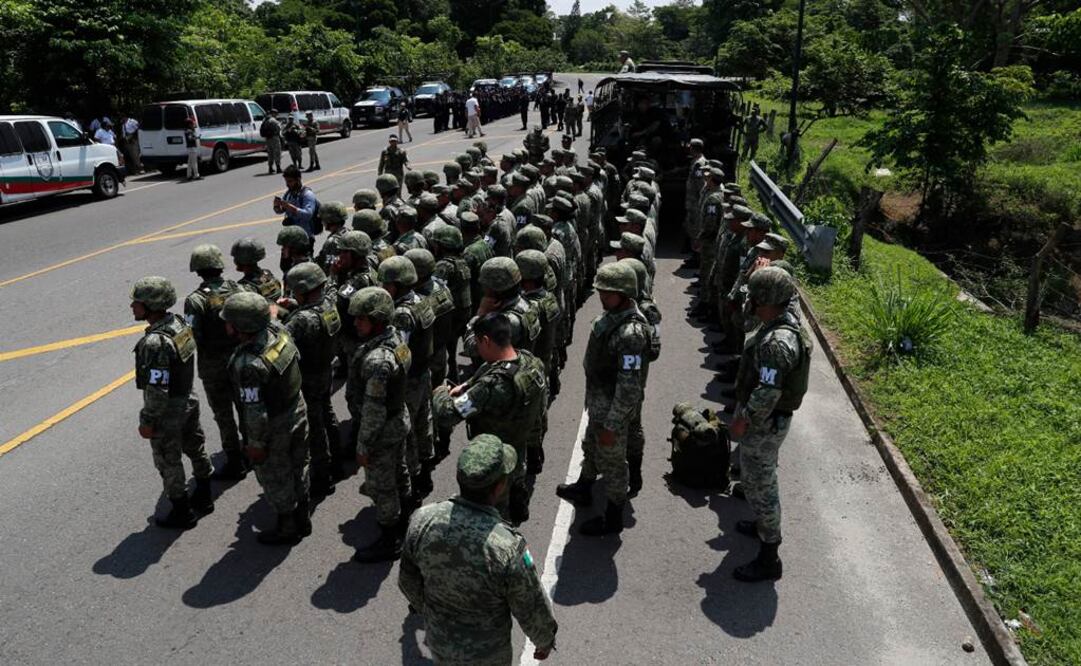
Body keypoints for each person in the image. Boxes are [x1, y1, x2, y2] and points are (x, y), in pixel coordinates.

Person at [399, 434, 558, 665]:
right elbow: (531, 604)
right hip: (488, 655)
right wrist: (544, 641)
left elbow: (407, 580)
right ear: (500, 486)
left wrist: (430, 611)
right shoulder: (506, 547)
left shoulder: (423, 520)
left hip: (440, 642)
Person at [728, 267, 812, 582]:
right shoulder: (783, 320)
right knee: (757, 480)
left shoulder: (778, 342)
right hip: (771, 421)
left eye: (756, 297)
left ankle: (769, 556)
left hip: (764, 424)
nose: (751, 303)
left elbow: (768, 391)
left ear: (766, 300)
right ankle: (761, 524)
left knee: (760, 485)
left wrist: (743, 421)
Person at [556, 262, 651, 535]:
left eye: (607, 293)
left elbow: (629, 387)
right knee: (590, 446)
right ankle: (584, 486)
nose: (601, 297)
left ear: (624, 293)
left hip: (612, 410)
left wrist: (612, 424)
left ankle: (612, 517)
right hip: (599, 403)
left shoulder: (630, 333)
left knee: (612, 464)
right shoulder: (613, 316)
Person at [433, 313, 547, 525]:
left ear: (485, 341)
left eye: (477, 343)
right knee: (515, 485)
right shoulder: (530, 362)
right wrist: (467, 386)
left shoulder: (493, 386)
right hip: (518, 448)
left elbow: (447, 415)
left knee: (493, 516)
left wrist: (440, 391)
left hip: (493, 460)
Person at [222, 291, 311, 545]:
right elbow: (275, 315)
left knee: (275, 475)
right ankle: (303, 518)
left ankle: (287, 527)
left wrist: (256, 444)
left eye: (229, 320)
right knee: (299, 465)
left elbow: (254, 410)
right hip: (296, 409)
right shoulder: (278, 332)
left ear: (242, 325)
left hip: (274, 424)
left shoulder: (249, 364)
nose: (226, 324)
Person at [131, 276, 214, 529]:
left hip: (168, 411)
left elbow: (157, 388)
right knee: (195, 447)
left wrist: (147, 421)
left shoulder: (155, 342)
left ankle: (182, 511)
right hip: (188, 399)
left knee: (169, 460)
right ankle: (204, 495)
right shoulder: (178, 323)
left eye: (137, 301)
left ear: (151, 305)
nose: (133, 306)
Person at [346, 287, 415, 562]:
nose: (355, 323)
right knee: (400, 472)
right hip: (398, 420)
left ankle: (390, 540)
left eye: (361, 318)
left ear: (376, 320)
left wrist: (363, 445)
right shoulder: (394, 337)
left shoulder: (377, 361)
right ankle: (405, 519)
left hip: (382, 430)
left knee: (383, 485)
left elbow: (373, 411)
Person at [279, 262, 343, 498]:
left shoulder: (301, 320)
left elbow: (281, 339)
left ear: (305, 289)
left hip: (307, 377)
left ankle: (322, 477)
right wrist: (294, 306)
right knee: (327, 414)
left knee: (315, 428)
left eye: (295, 290)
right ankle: (337, 461)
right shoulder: (328, 304)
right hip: (324, 370)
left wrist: (274, 316)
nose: (293, 294)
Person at [184, 245, 245, 479]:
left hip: (213, 365)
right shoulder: (236, 288)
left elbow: (191, 335)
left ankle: (235, 460)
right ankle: (251, 449)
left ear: (198, 271)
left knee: (223, 414)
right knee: (244, 406)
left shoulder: (196, 301)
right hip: (240, 358)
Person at [378, 256, 437, 497]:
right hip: (423, 373)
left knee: (409, 430)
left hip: (410, 379)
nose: (383, 288)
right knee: (424, 423)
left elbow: (400, 351)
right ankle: (425, 472)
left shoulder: (401, 313)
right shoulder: (421, 301)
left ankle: (413, 480)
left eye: (386, 284)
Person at [273, 165, 319, 238]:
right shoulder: (288, 194)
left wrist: (289, 207)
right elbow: (281, 211)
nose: (287, 184)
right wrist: (276, 206)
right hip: (292, 235)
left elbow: (308, 214)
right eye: (286, 181)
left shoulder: (307, 194)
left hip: (305, 236)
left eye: (290, 181)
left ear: (298, 179)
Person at [260, 109, 283, 174]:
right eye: (276, 114)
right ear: (274, 113)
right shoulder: (274, 121)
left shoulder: (265, 120)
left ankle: (270, 168)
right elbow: (278, 129)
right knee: (277, 152)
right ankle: (278, 167)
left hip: (268, 139)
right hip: (274, 138)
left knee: (270, 153)